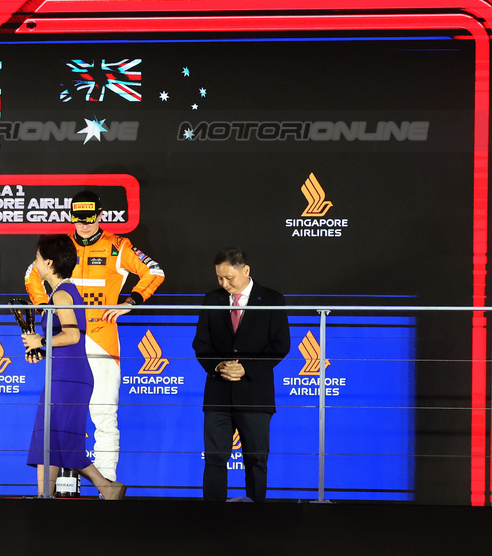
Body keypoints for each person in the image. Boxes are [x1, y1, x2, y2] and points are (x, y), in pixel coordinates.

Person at [23, 190, 164, 480]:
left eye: (89, 219)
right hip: (65, 340)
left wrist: (131, 302)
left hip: (102, 337)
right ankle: (60, 485)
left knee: (104, 417)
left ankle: (107, 485)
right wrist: (44, 310)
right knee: (59, 417)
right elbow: (31, 275)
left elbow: (154, 271)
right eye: (78, 220)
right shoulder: (60, 246)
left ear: (100, 216)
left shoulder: (118, 245)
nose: (84, 226)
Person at [23, 234, 125, 500]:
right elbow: (68, 340)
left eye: (37, 258)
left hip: (68, 377)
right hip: (67, 372)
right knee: (55, 437)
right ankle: (56, 494)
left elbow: (73, 336)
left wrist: (41, 339)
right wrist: (43, 350)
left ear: (49, 263)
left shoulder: (61, 296)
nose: (34, 264)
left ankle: (53, 495)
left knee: (54, 436)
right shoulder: (66, 291)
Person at [192, 247, 291, 502]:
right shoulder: (211, 299)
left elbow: (280, 345)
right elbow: (201, 344)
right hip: (218, 395)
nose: (224, 284)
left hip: (255, 395)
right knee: (214, 459)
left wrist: (246, 367)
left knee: (256, 460)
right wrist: (218, 366)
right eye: (219, 278)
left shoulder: (272, 299)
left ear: (245, 271)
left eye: (229, 278)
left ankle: (257, 519)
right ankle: (213, 520)